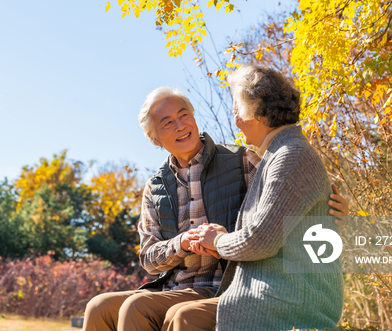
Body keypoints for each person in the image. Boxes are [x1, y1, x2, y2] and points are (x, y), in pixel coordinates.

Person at [83, 86, 348, 331]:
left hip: (228, 283)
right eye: (167, 123)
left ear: (194, 117)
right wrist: (182, 243)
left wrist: (329, 209)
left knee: (137, 307)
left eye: (183, 115)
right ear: (154, 138)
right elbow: (149, 260)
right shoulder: (155, 188)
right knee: (99, 307)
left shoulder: (242, 160)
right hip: (174, 287)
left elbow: (287, 201)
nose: (180, 125)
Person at [190, 65, 344, 331]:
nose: (235, 118)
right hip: (272, 295)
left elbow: (260, 239)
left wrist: (217, 240)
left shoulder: (290, 156)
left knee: (184, 318)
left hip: (288, 300)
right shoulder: (276, 155)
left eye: (237, 108)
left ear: (258, 112)